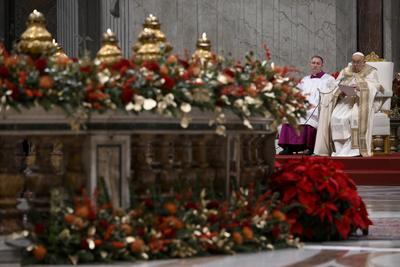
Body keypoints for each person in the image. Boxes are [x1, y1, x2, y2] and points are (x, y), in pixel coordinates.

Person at [314, 52, 383, 157]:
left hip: (361, 101)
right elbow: (337, 84)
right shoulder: (346, 71)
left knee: (352, 117)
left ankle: (354, 150)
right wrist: (340, 90)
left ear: (363, 62)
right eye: (353, 62)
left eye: (358, 62)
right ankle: (339, 149)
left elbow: (376, 86)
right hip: (346, 100)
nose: (355, 65)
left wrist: (361, 87)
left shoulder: (371, 71)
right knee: (335, 117)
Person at [278, 55, 335, 155]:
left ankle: (310, 147)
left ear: (322, 65)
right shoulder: (305, 79)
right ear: (310, 64)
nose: (315, 65)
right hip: (303, 105)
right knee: (290, 115)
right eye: (313, 63)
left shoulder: (329, 79)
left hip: (318, 106)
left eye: (318, 63)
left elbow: (332, 94)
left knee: (309, 116)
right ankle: (289, 147)